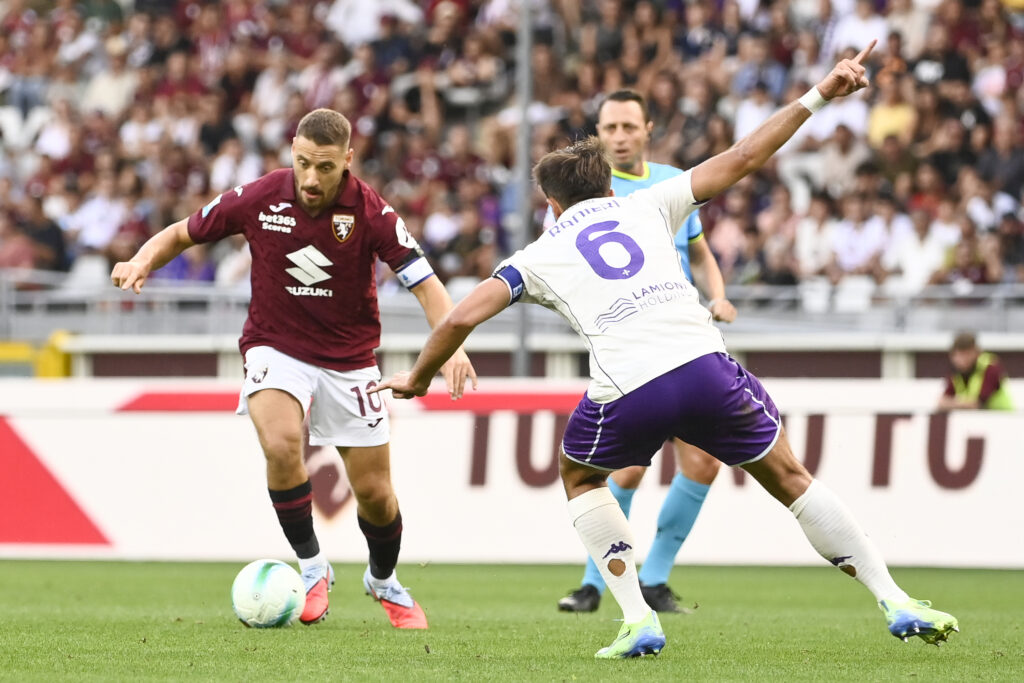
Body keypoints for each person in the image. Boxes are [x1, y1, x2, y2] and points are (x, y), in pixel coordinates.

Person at [374, 43, 959, 658]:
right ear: (608, 184)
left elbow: (461, 316)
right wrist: (820, 94)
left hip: (630, 387)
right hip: (705, 368)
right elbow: (745, 155)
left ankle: (637, 619)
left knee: (580, 475)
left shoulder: (537, 255)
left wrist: (419, 377)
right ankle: (894, 597)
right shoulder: (651, 202)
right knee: (791, 477)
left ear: (551, 205)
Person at [110, 108, 477, 629]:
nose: (310, 178)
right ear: (292, 152)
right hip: (274, 346)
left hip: (350, 361)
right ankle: (311, 566)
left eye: (324, 167)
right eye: (303, 163)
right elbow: (180, 234)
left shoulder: (372, 212)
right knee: (282, 444)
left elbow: (425, 284)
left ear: (348, 160)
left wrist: (452, 347)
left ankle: (383, 580)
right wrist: (142, 259)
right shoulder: (260, 196)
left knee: (376, 495)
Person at [555, 89, 737, 615]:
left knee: (703, 463)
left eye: (628, 127)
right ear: (597, 134)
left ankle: (654, 577)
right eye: (609, 128)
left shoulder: (672, 183)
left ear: (648, 130)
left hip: (684, 342)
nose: (619, 137)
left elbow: (698, 252)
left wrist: (718, 295)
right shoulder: (583, 194)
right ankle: (594, 584)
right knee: (626, 469)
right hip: (629, 347)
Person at [938, 331, 1014, 411]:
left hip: (1003, 416)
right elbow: (943, 401)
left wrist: (953, 403)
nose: (962, 360)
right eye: (959, 355)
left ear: (976, 352)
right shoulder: (956, 373)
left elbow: (978, 403)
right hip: (978, 417)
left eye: (967, 354)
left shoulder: (990, 367)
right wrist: (963, 403)